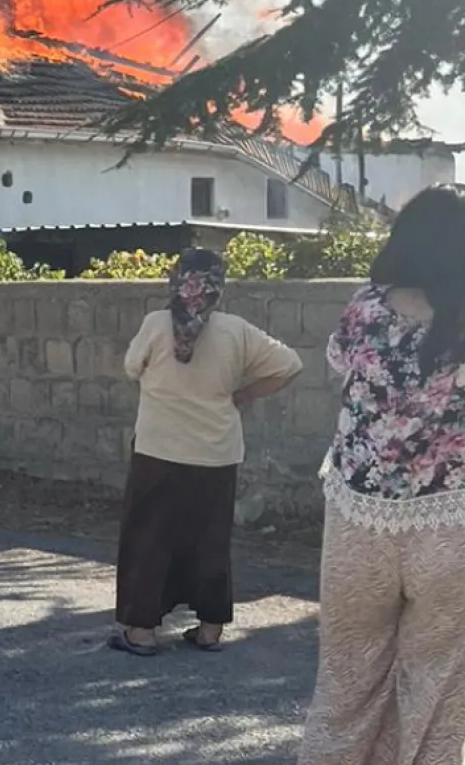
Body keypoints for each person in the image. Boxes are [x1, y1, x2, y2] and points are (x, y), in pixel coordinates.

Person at [298, 184, 465, 765]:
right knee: (439, 704)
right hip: (464, 525)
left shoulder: (364, 309)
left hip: (360, 521)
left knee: (345, 689)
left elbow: (343, 382)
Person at [110, 247, 303, 657]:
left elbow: (131, 367)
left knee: (149, 537)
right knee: (209, 541)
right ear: (218, 285)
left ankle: (141, 631)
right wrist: (244, 393)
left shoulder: (155, 323)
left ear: (178, 280)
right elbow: (289, 365)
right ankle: (210, 628)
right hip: (216, 453)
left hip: (158, 449)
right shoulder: (237, 331)